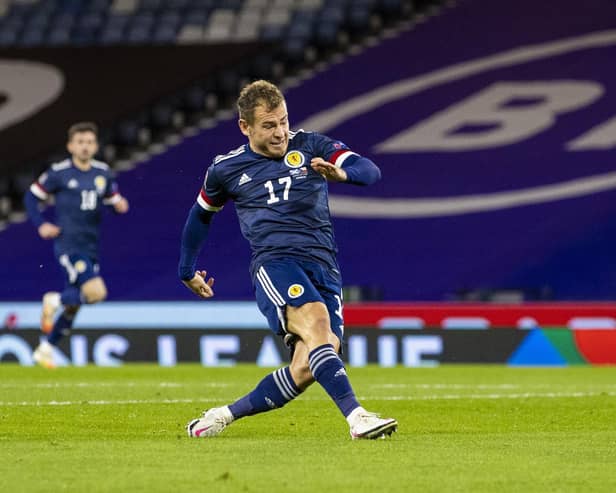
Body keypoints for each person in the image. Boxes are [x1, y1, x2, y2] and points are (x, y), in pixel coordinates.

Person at [179, 80, 397, 440]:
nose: (280, 132)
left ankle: (220, 417)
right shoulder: (225, 169)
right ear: (244, 127)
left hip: (324, 265)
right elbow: (201, 215)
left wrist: (341, 174)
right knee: (316, 321)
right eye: (269, 125)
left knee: (307, 367)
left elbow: (370, 171)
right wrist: (187, 270)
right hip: (275, 262)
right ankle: (357, 417)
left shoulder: (311, 144)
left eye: (283, 121)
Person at [24, 122, 129, 368]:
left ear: (96, 146)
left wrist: (119, 205)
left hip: (91, 245)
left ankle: (45, 349)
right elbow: (31, 196)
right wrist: (41, 224)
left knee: (74, 306)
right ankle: (53, 301)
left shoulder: (103, 173)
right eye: (80, 142)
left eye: (89, 142)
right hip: (69, 245)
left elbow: (113, 200)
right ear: (70, 145)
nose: (85, 146)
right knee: (96, 293)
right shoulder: (58, 173)